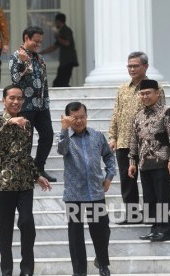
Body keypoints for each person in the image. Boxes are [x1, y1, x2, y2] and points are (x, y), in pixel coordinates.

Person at [0, 84, 52, 276]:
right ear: (4, 100)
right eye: (12, 98)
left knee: (27, 223)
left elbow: (25, 155)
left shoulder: (27, 124)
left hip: (24, 183)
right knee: (5, 229)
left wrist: (37, 175)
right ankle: (6, 270)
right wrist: (10, 123)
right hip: (4, 184)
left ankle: (27, 270)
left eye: (19, 98)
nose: (16, 102)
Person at [57, 102, 114, 276]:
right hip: (74, 194)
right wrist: (64, 129)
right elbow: (62, 150)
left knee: (102, 231)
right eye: (74, 118)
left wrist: (109, 176)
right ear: (67, 118)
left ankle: (102, 263)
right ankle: (79, 271)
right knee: (76, 238)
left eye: (82, 117)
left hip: (96, 192)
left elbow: (109, 156)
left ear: (86, 116)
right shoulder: (64, 136)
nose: (79, 121)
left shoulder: (97, 135)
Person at [108, 51, 165, 224]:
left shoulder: (155, 88)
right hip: (124, 142)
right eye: (129, 66)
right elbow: (116, 114)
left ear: (145, 66)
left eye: (136, 66)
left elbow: (160, 116)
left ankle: (152, 216)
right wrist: (112, 136)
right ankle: (132, 215)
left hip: (147, 144)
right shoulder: (122, 89)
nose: (132, 69)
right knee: (127, 181)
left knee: (151, 182)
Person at [128, 79, 170, 242]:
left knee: (163, 196)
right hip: (144, 164)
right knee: (150, 198)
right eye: (142, 94)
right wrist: (132, 161)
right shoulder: (138, 116)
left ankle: (165, 230)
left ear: (157, 93)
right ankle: (154, 229)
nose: (145, 96)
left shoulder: (167, 112)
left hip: (162, 162)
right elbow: (133, 140)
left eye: (148, 93)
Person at [9, 26, 57, 182]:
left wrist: (46, 101)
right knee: (25, 141)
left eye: (40, 42)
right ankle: (26, 172)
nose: (38, 44)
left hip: (42, 105)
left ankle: (39, 168)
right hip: (25, 106)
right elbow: (15, 80)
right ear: (26, 38)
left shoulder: (39, 58)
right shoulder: (15, 57)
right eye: (35, 41)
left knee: (48, 135)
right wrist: (22, 63)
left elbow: (44, 83)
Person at [39, 13, 79, 87]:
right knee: (60, 83)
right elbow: (54, 47)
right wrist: (41, 53)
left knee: (60, 83)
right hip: (65, 61)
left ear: (59, 21)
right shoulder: (62, 31)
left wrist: (57, 37)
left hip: (68, 60)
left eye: (55, 21)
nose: (55, 23)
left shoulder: (66, 30)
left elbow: (67, 43)